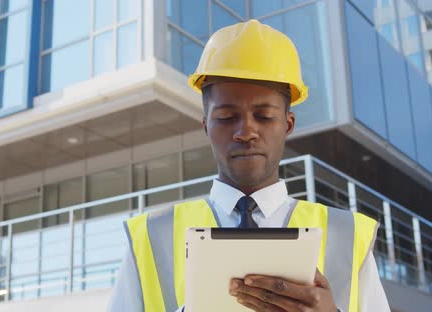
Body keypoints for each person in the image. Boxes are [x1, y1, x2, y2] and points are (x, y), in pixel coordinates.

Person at [108, 19, 390, 312]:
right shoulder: (150, 237)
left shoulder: (348, 236)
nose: (246, 132)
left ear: (288, 125)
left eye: (265, 116)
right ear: (206, 126)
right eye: (228, 117)